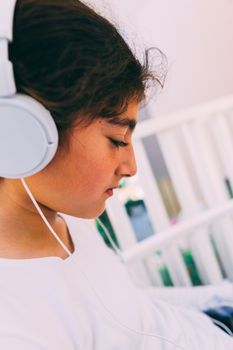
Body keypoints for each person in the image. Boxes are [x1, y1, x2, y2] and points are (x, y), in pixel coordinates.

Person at [0, 0, 232, 349]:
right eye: (117, 140)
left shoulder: (65, 220)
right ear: (24, 133)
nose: (131, 167)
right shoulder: (18, 327)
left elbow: (140, 311)